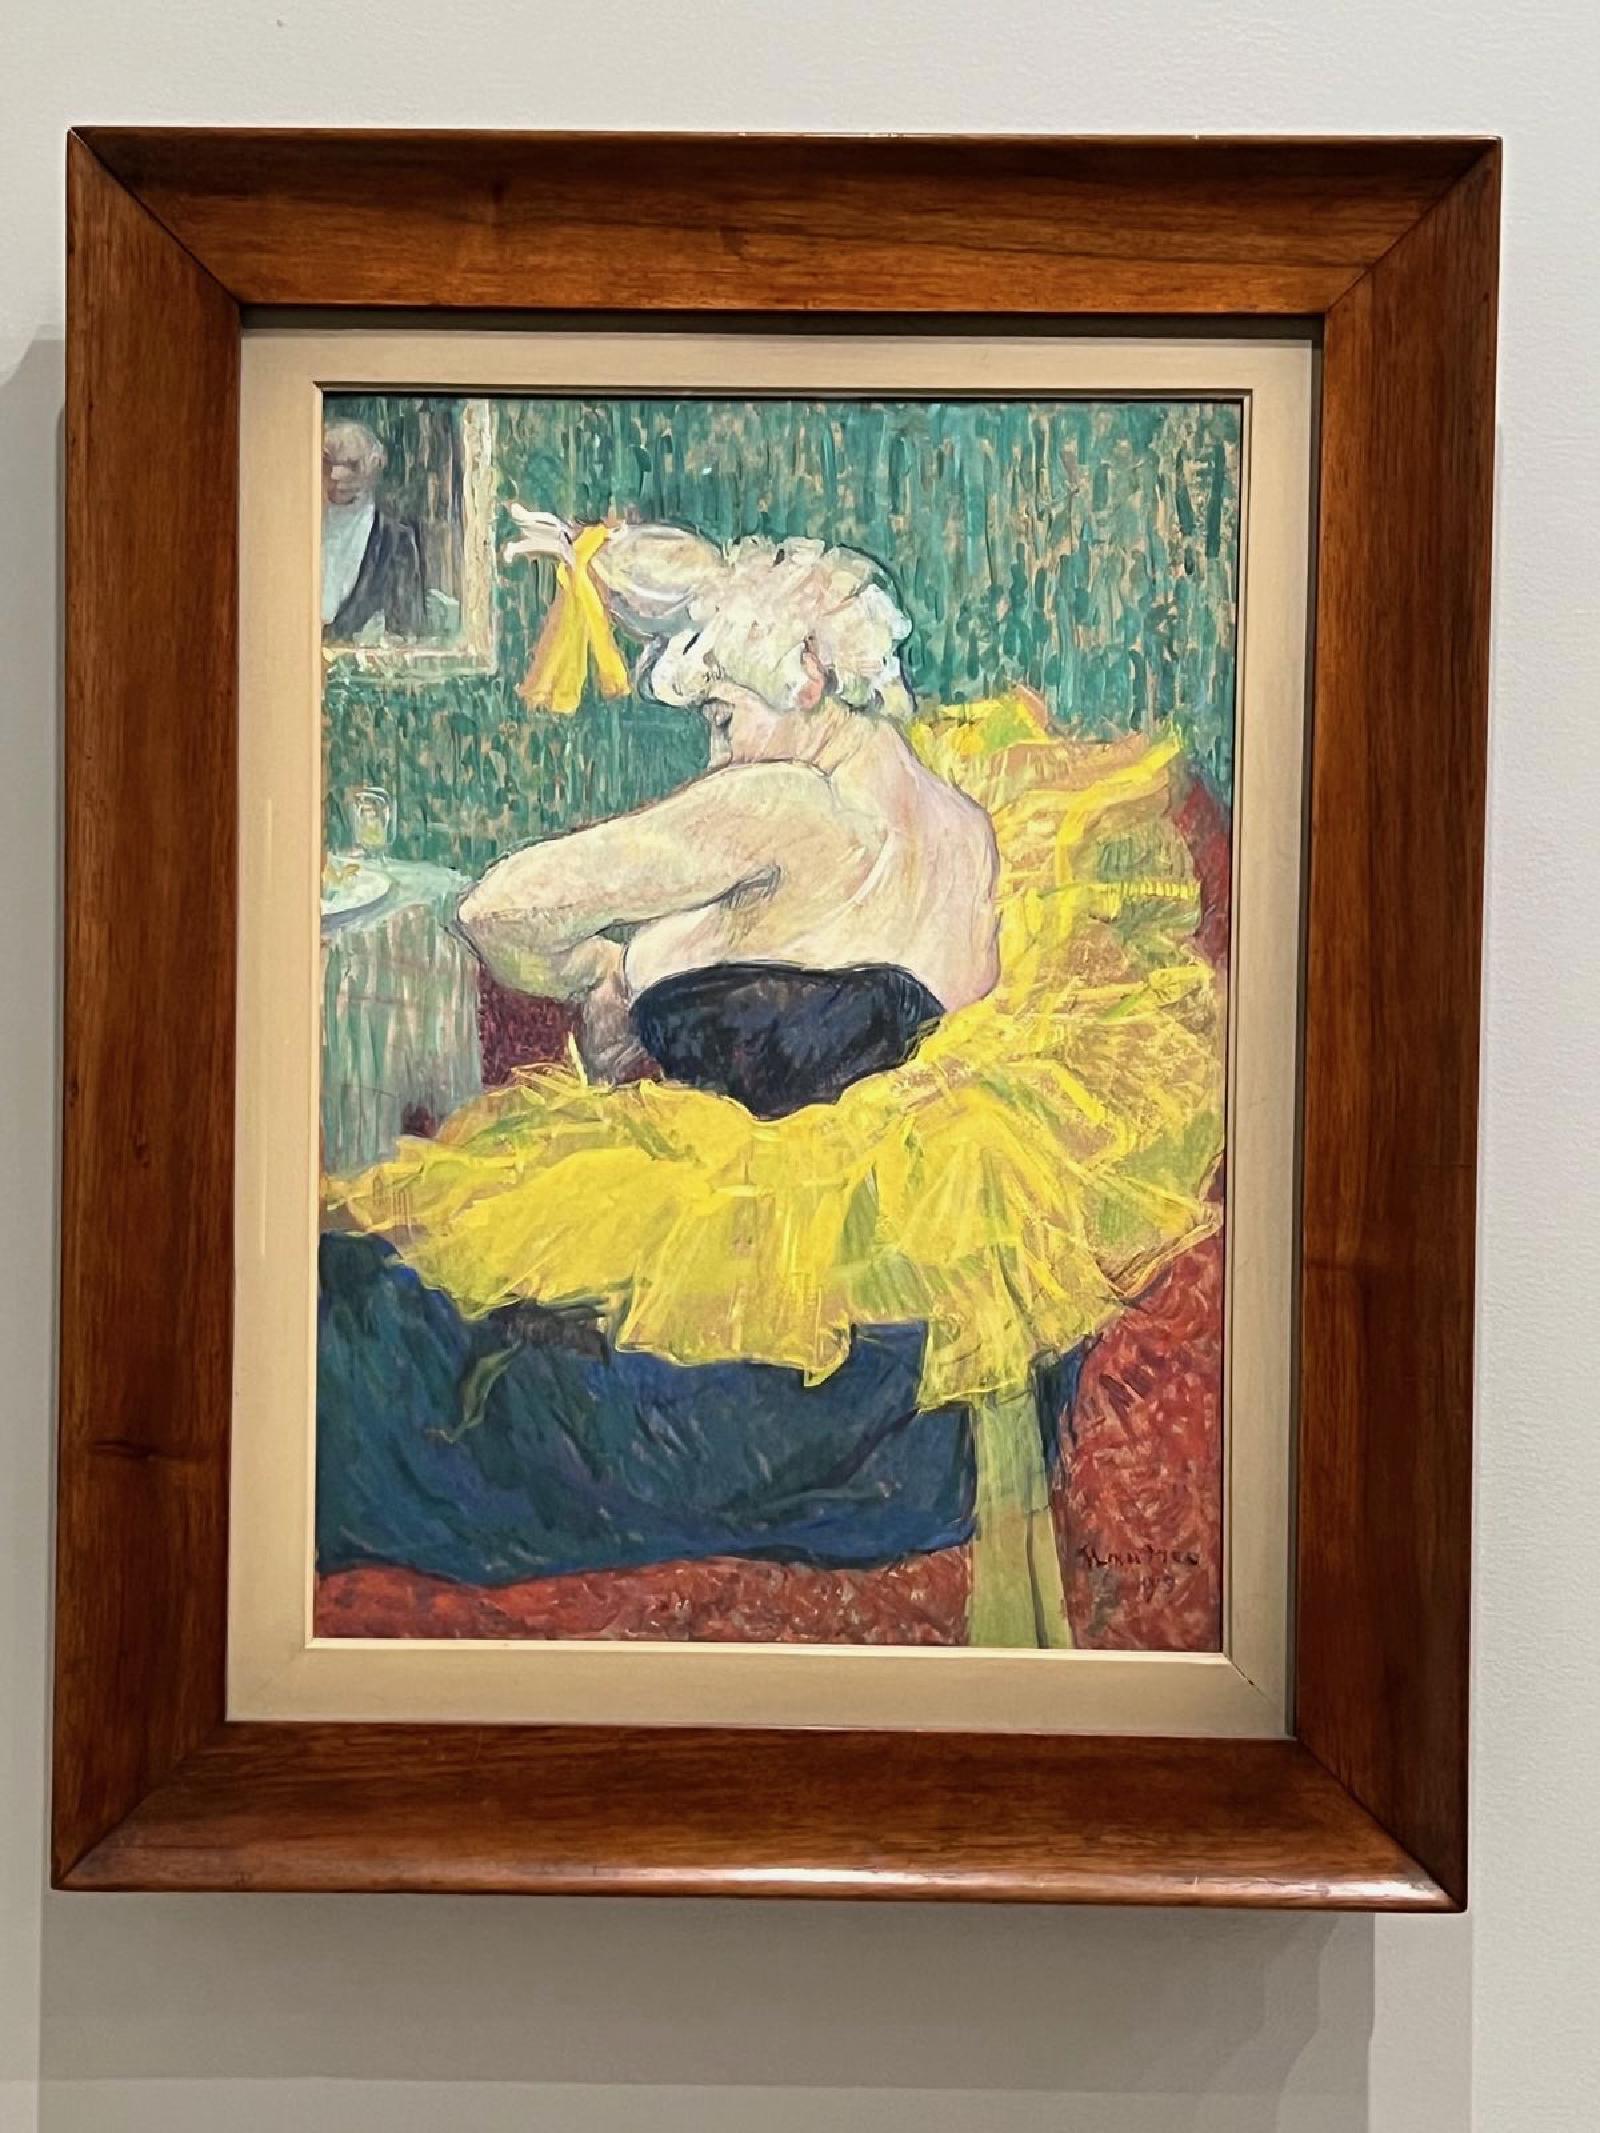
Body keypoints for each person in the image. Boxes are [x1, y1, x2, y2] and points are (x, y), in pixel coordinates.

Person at [319, 512, 1226, 1645]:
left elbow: (494, 906)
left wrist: (598, 975)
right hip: (904, 1384)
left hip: (747, 1341)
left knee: (368, 1332)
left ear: (805, 677)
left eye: (720, 716)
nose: (714, 758)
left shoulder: (787, 803)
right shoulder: (964, 818)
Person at [321, 418, 427, 641]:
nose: (336, 475)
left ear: (374, 465)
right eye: (327, 462)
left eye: (352, 465)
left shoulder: (397, 541)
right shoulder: (299, 528)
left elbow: (407, 629)